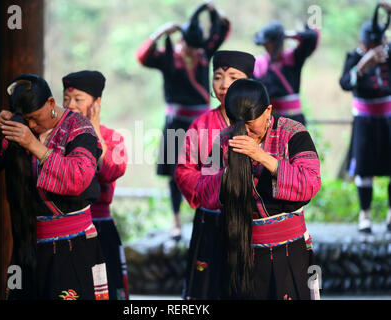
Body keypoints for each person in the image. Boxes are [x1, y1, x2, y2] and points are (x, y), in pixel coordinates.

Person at [0, 74, 109, 300]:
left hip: (72, 246)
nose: (31, 125)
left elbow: (79, 178)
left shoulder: (78, 127)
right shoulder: (19, 126)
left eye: (35, 118)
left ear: (51, 103)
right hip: (25, 246)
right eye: (26, 119)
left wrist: (35, 146)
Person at [195, 78, 321, 299]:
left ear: (268, 111)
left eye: (251, 125)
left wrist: (262, 157)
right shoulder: (224, 140)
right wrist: (227, 172)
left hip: (290, 251)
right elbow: (203, 192)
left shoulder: (293, 133)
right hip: (239, 251)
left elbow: (310, 184)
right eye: (237, 125)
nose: (245, 133)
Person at [136, 2, 231, 239]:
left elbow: (224, 29)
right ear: (183, 41)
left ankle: (211, 211)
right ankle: (176, 220)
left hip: (203, 123)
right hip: (176, 123)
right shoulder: (169, 57)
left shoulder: (203, 54)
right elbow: (142, 56)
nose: (195, 52)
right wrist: (160, 32)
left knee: (212, 166)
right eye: (191, 47)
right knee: (174, 171)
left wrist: (213, 11)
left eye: (198, 48)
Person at [175, 50, 256, 299]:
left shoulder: (260, 122)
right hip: (212, 221)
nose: (223, 85)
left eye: (233, 77)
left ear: (249, 82)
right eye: (218, 77)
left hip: (251, 222)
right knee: (207, 289)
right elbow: (184, 171)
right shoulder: (201, 124)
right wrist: (216, 190)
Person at [62, 70, 130, 300]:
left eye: (78, 99)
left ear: (96, 102)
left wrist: (95, 129)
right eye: (66, 98)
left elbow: (111, 171)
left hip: (99, 226)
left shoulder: (113, 138)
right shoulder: (56, 137)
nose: (70, 105)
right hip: (66, 228)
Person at [339, 2, 391, 233]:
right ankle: (365, 216)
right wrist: (361, 67)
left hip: (388, 119)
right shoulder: (354, 58)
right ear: (361, 43)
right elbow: (345, 83)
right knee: (364, 169)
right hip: (364, 122)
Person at [253, 21, 320, 125]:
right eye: (265, 44)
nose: (266, 47)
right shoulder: (260, 63)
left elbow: (312, 37)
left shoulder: (294, 58)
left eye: (269, 43)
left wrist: (286, 35)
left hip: (294, 120)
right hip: (270, 121)